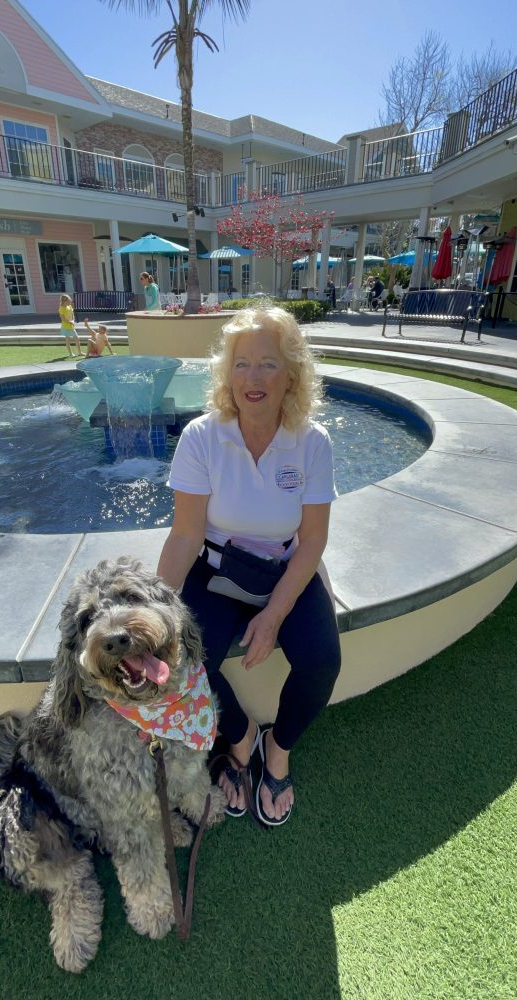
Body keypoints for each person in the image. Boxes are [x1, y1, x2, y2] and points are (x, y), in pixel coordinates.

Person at [156, 307, 341, 827]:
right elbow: (186, 534)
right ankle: (239, 738)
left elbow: (313, 540)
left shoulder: (312, 442)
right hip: (215, 570)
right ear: (226, 373)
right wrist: (152, 617)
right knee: (187, 662)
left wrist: (276, 613)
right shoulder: (201, 436)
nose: (252, 378)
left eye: (267, 364)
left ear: (291, 375)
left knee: (322, 660)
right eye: (241, 364)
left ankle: (277, 749)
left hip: (285, 568)